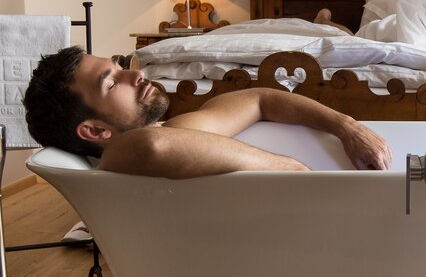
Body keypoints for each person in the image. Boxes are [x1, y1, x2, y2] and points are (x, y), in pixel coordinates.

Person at [23, 46, 392, 178]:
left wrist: (347, 126)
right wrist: (291, 170)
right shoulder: (118, 159)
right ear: (95, 132)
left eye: (120, 65)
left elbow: (261, 99)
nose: (136, 74)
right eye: (111, 82)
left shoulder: (176, 131)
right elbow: (153, 146)